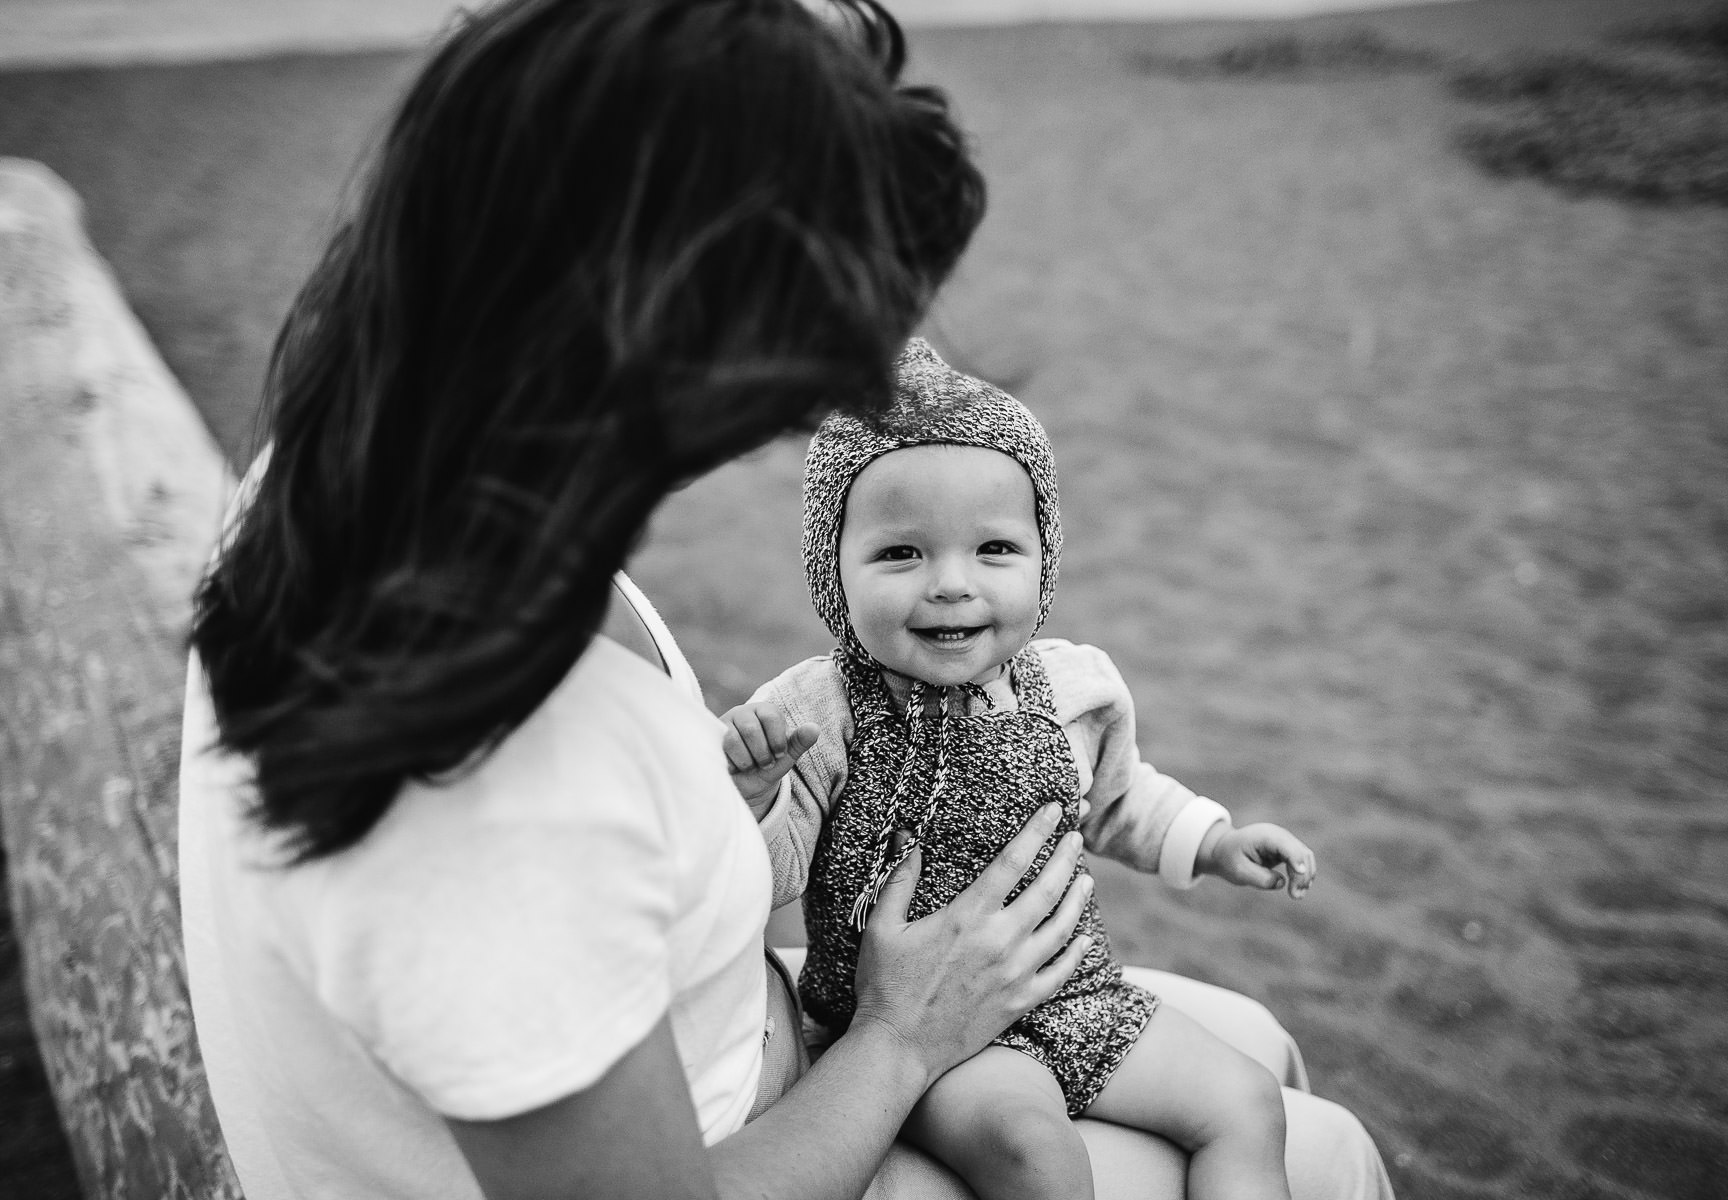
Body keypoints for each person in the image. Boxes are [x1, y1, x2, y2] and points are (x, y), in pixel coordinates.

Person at [176, 1, 1392, 1198]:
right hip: (788, 1113)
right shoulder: (483, 763)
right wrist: (900, 1037)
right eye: (793, 371)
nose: (807, 410)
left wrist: (723, 814)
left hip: (769, 1027)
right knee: (1325, 1151)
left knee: (1260, 1056)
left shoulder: (361, 464)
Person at [722, 340, 1318, 1200]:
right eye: (902, 554)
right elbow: (774, 876)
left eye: (994, 549)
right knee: (1037, 1155)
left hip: (1073, 991)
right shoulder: (818, 711)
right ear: (832, 574)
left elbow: (1117, 802)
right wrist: (755, 797)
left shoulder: (1074, 688)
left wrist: (1215, 841)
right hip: (932, 1035)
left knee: (1248, 1102)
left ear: (1044, 560)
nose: (953, 585)